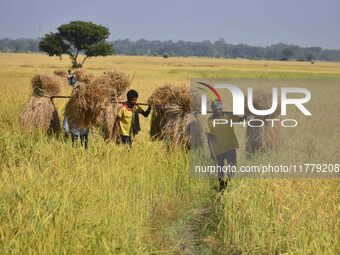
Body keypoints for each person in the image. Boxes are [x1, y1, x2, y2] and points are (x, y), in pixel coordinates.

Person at [206, 99, 245, 192]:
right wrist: (211, 151)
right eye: (216, 110)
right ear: (213, 110)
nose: (218, 111)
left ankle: (229, 183)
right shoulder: (210, 120)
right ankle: (222, 187)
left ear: (222, 108)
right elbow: (209, 137)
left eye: (219, 109)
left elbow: (242, 119)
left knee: (233, 166)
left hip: (231, 146)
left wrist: (244, 113)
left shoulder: (229, 116)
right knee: (220, 169)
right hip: (218, 149)